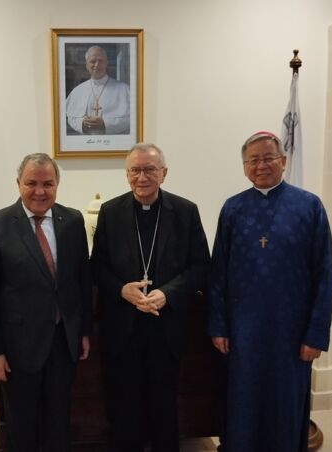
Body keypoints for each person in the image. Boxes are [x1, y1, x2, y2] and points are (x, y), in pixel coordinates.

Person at [208, 131, 332, 452]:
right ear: (244, 167)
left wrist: (316, 334)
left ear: (284, 160)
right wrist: (219, 326)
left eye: (268, 158)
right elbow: (217, 273)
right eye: (253, 160)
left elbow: (325, 275)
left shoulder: (309, 206)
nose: (261, 165)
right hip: (243, 334)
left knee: (285, 407)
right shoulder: (233, 209)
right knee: (243, 405)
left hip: (291, 336)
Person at [91, 143, 210, 452]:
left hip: (165, 327)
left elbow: (200, 266)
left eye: (149, 170)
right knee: (124, 406)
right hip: (123, 328)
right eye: (135, 170)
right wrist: (122, 290)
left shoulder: (185, 211)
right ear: (127, 174)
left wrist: (168, 294)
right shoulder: (110, 212)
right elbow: (97, 266)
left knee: (164, 406)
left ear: (164, 173)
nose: (141, 177)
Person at [0, 153, 92, 451]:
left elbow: (82, 281)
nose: (40, 191)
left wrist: (84, 331)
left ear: (57, 185)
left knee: (59, 421)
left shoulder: (72, 220)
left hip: (63, 342)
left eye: (48, 184)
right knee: (22, 426)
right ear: (18, 184)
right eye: (31, 183)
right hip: (17, 348)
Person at [66, 45, 130, 135]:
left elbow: (131, 119)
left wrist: (105, 123)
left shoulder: (125, 90)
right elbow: (71, 117)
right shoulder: (77, 91)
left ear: (106, 63)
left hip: (113, 140)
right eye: (92, 61)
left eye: (101, 61)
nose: (97, 64)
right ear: (87, 65)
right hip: (85, 141)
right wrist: (82, 123)